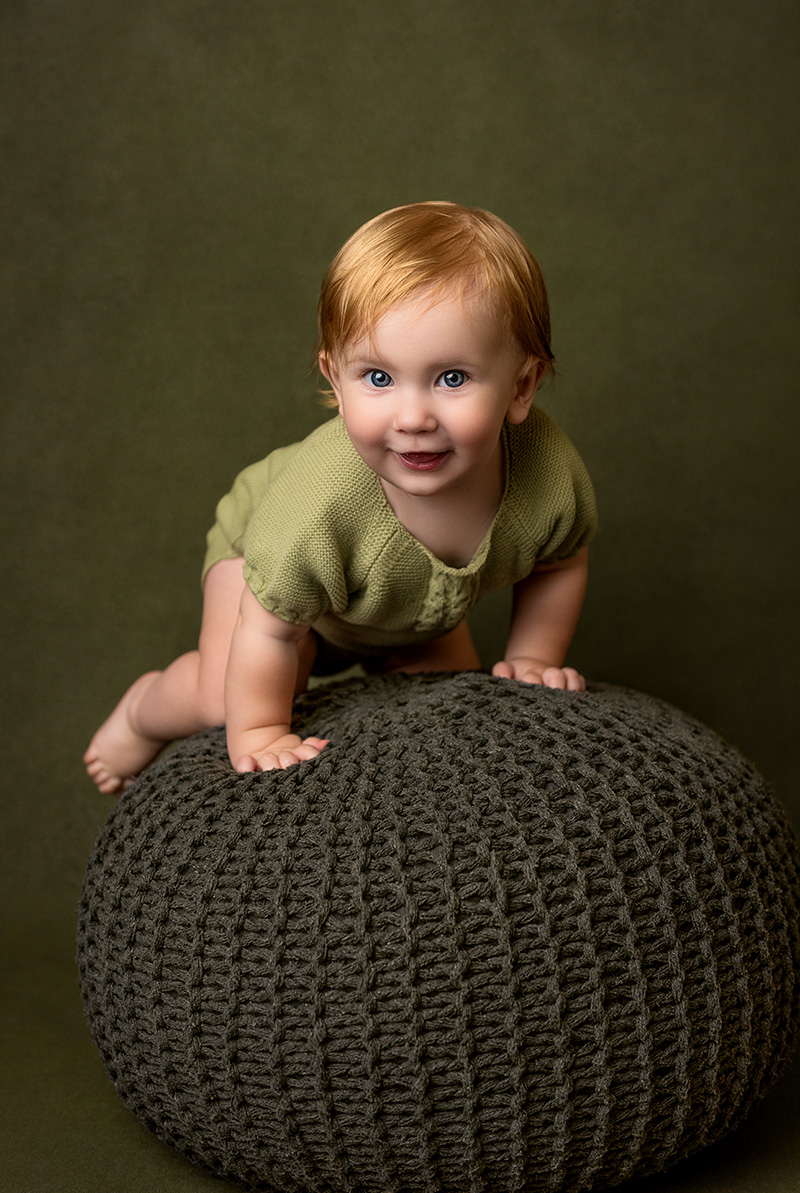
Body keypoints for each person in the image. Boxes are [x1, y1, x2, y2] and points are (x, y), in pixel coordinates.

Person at [84, 201, 597, 795]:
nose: (412, 418)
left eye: (452, 378)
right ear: (334, 378)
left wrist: (533, 656)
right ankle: (141, 711)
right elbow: (269, 631)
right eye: (377, 378)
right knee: (224, 693)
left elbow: (562, 562)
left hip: (400, 606)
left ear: (523, 385)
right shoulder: (317, 505)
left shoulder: (547, 473)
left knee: (453, 704)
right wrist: (260, 731)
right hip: (264, 578)